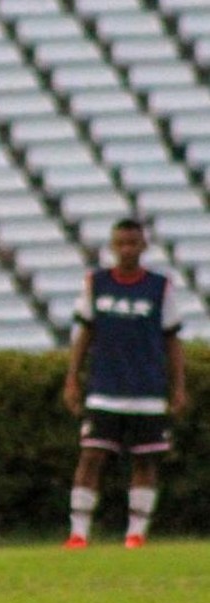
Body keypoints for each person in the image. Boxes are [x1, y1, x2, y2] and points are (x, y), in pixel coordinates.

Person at [62, 217, 187, 550]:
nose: (127, 249)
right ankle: (78, 533)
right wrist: (72, 379)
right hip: (104, 390)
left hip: (147, 391)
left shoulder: (160, 287)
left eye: (133, 243)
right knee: (91, 457)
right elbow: (84, 334)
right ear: (112, 246)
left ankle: (135, 533)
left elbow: (172, 340)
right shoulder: (97, 284)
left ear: (143, 246)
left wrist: (178, 387)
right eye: (121, 244)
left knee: (145, 461)